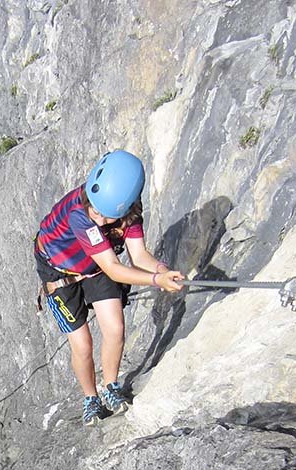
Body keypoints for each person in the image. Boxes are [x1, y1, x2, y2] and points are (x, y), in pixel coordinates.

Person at [35, 150, 185, 426]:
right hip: (59, 272)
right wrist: (155, 281)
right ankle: (91, 398)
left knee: (115, 328)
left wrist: (163, 271)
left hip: (96, 265)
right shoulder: (82, 215)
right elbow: (114, 269)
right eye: (97, 212)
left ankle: (111, 385)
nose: (100, 221)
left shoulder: (127, 212)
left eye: (107, 216)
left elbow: (139, 257)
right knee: (82, 344)